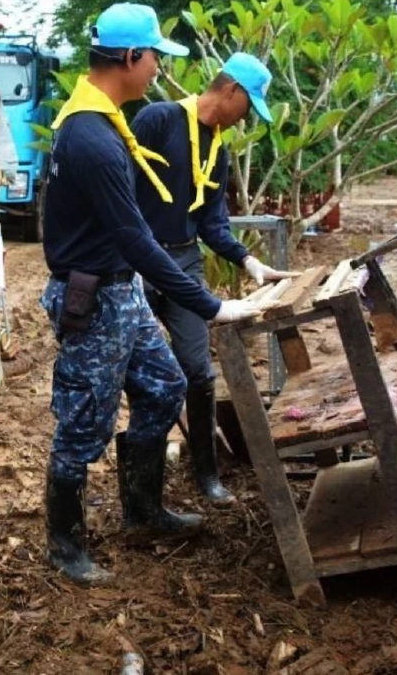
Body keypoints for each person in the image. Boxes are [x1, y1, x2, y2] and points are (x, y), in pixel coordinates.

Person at [39, 2, 265, 585]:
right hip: (95, 296)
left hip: (123, 290)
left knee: (167, 386)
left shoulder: (107, 119)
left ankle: (142, 509)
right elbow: (136, 238)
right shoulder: (91, 137)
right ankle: (65, 546)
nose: (160, 71)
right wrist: (212, 304)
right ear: (130, 57)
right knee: (81, 425)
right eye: (156, 59)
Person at [131, 53, 297, 508]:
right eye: (249, 107)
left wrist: (249, 262)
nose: (246, 120)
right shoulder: (158, 120)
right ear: (231, 92)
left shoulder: (217, 149)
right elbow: (122, 190)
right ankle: (141, 493)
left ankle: (206, 474)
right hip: (138, 262)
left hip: (183, 263)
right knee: (142, 377)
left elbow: (212, 223)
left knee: (198, 373)